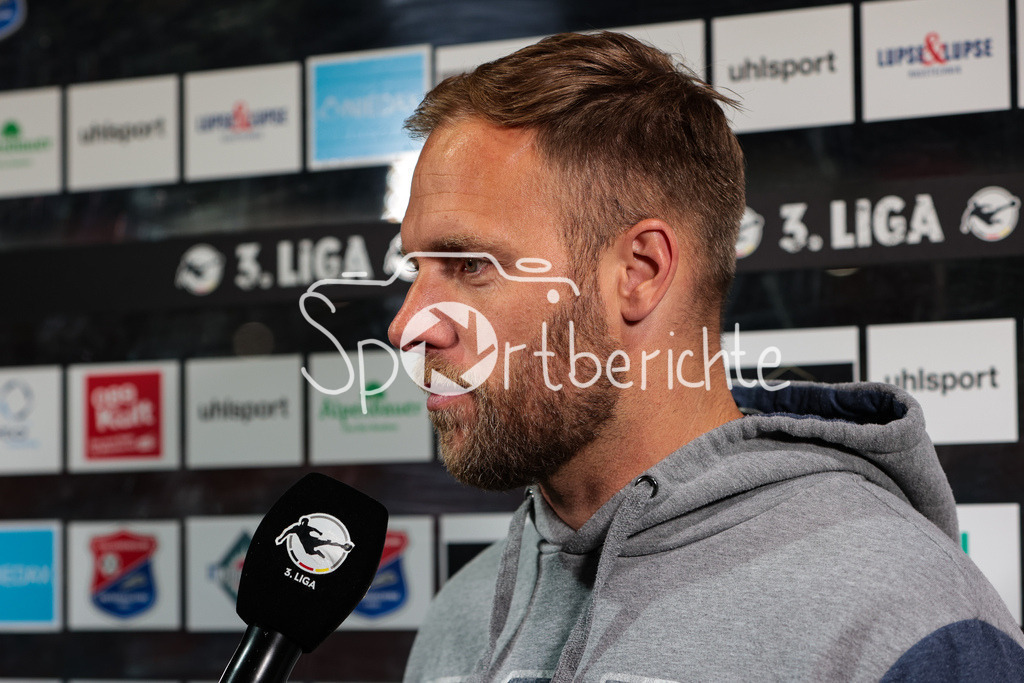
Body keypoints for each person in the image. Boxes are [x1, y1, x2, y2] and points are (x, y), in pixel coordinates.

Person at [386, 31, 1024, 682]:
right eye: (416, 267)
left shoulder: (902, 619)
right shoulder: (460, 616)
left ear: (639, 271)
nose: (408, 323)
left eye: (470, 265)